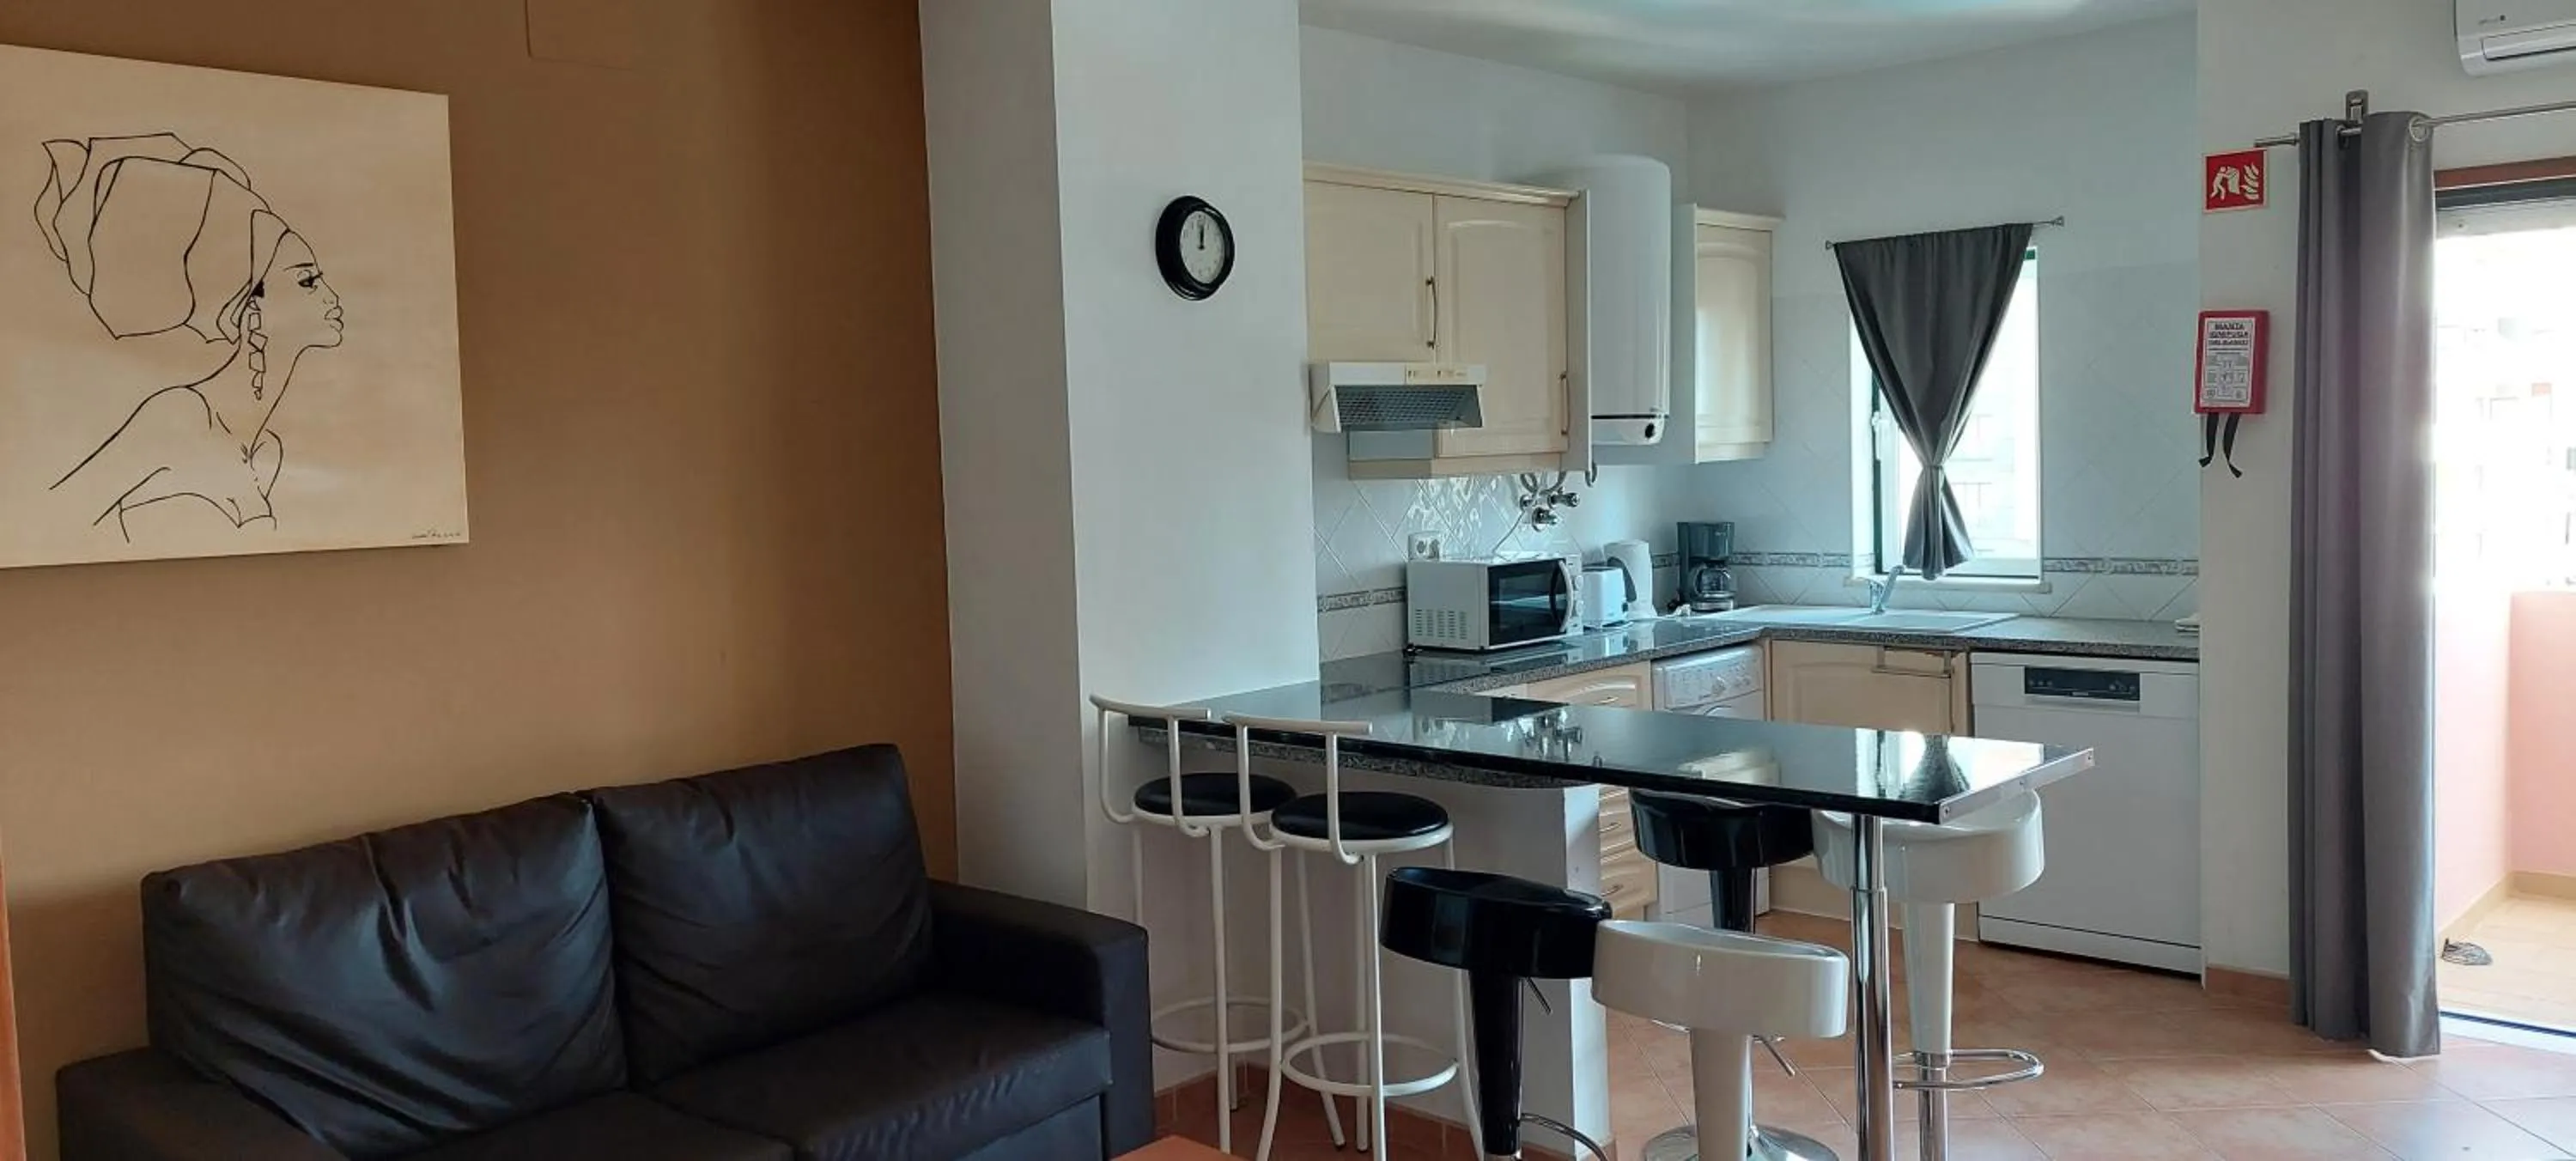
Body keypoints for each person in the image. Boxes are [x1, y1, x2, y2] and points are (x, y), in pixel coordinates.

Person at [32, 133, 345, 540]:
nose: (331, 295)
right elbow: (42, 526)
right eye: (307, 281)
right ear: (249, 303)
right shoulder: (180, 415)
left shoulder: (267, 447)